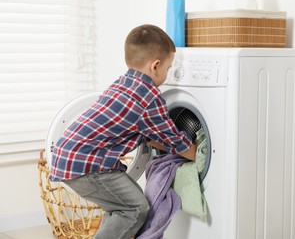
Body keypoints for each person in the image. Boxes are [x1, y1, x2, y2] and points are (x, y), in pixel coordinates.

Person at [49, 24, 197, 239]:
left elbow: (150, 135)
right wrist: (199, 157)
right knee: (135, 208)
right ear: (155, 66)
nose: (167, 73)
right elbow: (174, 141)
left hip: (71, 157)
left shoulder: (122, 83)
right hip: (88, 166)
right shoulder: (150, 98)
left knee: (120, 208)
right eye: (168, 68)